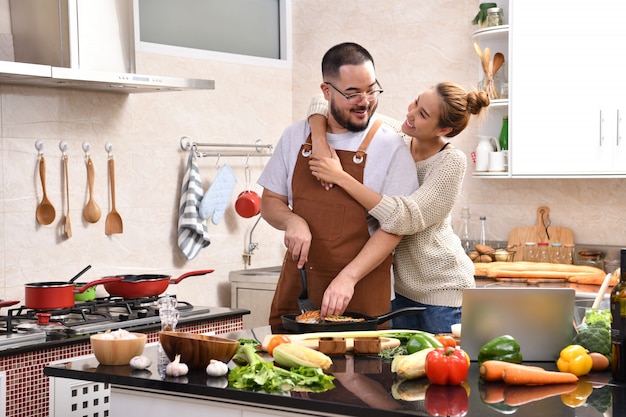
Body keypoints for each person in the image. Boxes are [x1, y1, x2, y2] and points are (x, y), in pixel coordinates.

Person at [257, 42, 418, 329]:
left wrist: (348, 277)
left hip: (362, 288)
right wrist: (291, 220)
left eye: (371, 89)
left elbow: (395, 228)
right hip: (300, 287)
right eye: (353, 93)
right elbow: (269, 201)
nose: (365, 101)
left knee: (363, 372)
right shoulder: (296, 136)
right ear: (326, 92)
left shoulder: (390, 145)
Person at [308, 82, 490, 334]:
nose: (411, 113)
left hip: (443, 295)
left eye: (423, 114)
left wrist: (340, 177)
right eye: (416, 102)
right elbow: (326, 101)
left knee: (447, 370)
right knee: (402, 371)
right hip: (400, 292)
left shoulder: (451, 162)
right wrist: (319, 141)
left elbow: (404, 217)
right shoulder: (396, 137)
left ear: (444, 129)